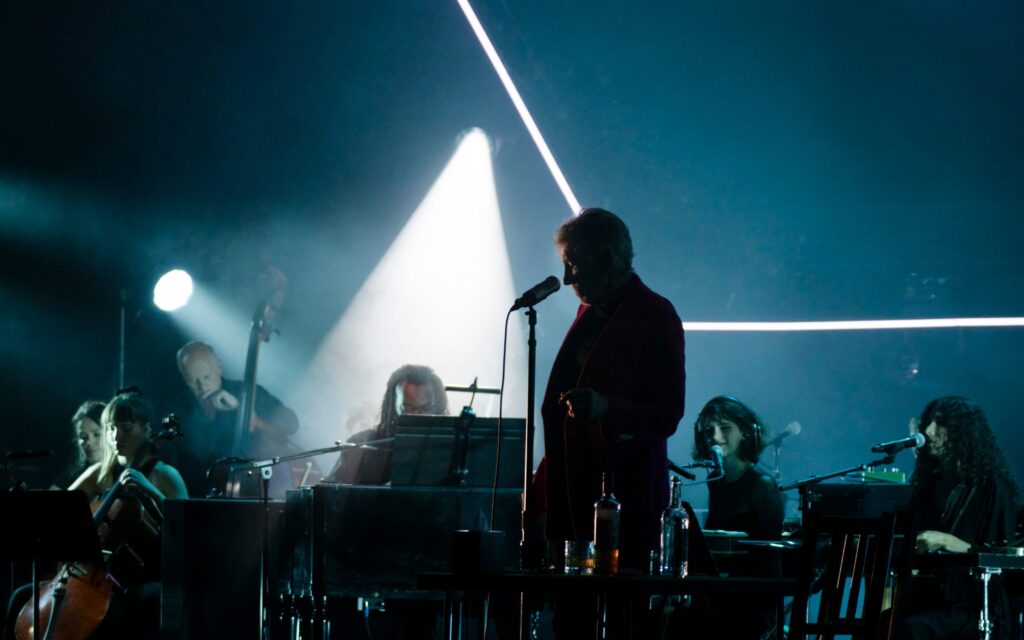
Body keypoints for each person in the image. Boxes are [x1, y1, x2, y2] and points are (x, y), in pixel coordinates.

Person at [4, 389, 188, 640]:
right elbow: (59, 507)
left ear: (146, 430)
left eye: (126, 428)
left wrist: (151, 490)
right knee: (21, 597)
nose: (115, 436)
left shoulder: (164, 474)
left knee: (143, 601)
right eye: (111, 428)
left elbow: (189, 527)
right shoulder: (100, 473)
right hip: (91, 574)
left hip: (140, 574)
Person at [896, 396, 1019, 640]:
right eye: (927, 422)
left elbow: (1006, 561)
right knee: (881, 623)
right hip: (932, 599)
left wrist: (952, 543)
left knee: (908, 629)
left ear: (964, 432)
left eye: (940, 423)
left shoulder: (992, 487)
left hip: (977, 606)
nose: (930, 431)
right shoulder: (928, 484)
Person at [690, 395, 784, 638]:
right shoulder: (716, 481)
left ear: (746, 433)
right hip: (723, 590)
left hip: (752, 599)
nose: (716, 437)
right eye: (709, 430)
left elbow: (769, 556)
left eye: (725, 428)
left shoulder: (762, 485)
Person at [174, 341, 301, 497]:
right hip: (204, 501)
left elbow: (291, 424)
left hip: (258, 490)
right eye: (193, 381)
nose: (202, 387)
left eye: (207, 377)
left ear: (219, 366)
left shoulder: (248, 393)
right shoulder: (178, 411)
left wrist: (244, 411)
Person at [328, 364, 449, 485]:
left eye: (425, 408)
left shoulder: (452, 449)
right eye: (407, 408)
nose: (416, 415)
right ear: (392, 406)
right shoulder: (361, 445)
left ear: (438, 407)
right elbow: (330, 494)